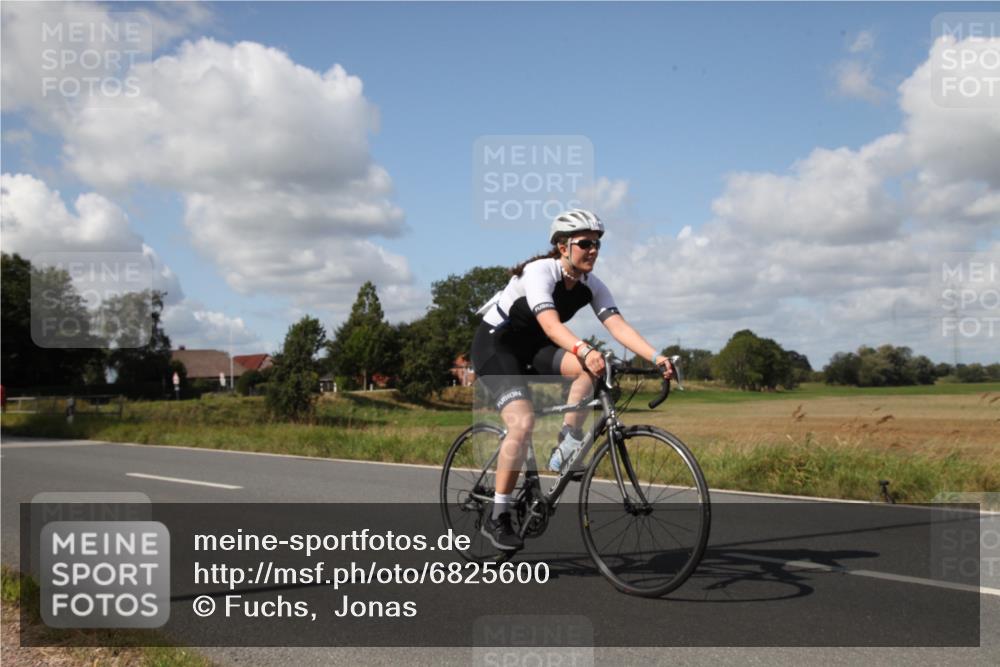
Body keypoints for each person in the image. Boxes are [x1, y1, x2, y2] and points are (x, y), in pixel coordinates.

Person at [470, 209, 674, 551]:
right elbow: (551, 325)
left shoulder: (591, 285)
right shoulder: (540, 272)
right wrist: (583, 348)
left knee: (589, 371)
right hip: (497, 346)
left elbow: (618, 326)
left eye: (597, 244)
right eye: (585, 244)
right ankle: (498, 514)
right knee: (523, 423)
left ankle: (566, 443)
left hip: (534, 347)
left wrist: (657, 357)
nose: (593, 250)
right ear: (563, 246)